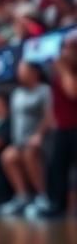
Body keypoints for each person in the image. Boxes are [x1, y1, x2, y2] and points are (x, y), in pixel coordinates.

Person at [0, 61, 51, 215]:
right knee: (8, 156)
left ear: (34, 72)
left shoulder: (44, 90)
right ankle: (22, 197)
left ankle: (43, 197)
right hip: (19, 142)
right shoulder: (17, 94)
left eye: (22, 69)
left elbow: (49, 115)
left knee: (29, 154)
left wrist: (39, 135)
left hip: (41, 140)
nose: (19, 73)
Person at [43, 33, 77, 219]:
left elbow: (72, 92)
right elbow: (54, 102)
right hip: (62, 127)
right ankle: (57, 205)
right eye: (64, 47)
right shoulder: (58, 73)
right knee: (57, 167)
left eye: (70, 48)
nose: (65, 52)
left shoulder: (66, 71)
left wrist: (64, 70)